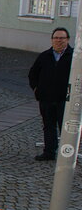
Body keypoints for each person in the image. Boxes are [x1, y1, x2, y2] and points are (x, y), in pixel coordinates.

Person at [29, 27, 73, 161]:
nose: (59, 41)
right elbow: (33, 74)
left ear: (68, 40)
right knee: (48, 126)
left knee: (66, 128)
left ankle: (67, 154)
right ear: (52, 40)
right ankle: (49, 152)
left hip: (65, 100)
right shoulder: (44, 56)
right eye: (56, 38)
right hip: (46, 98)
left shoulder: (74, 56)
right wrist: (37, 89)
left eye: (62, 38)